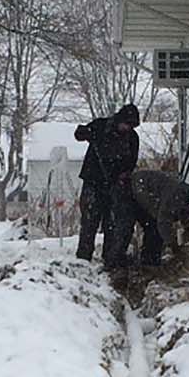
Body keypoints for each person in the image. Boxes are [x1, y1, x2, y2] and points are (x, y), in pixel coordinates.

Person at [73, 104, 141, 262]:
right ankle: (83, 259)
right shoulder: (101, 126)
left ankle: (110, 259)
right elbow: (79, 134)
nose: (127, 128)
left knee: (111, 223)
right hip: (93, 181)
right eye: (126, 124)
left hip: (114, 184)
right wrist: (85, 133)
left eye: (131, 126)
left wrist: (123, 177)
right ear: (119, 119)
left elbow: (131, 163)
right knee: (89, 221)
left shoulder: (132, 138)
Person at [128, 167, 189, 265]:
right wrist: (174, 245)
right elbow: (163, 222)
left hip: (148, 194)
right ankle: (148, 264)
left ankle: (150, 262)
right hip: (135, 188)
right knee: (153, 229)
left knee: (154, 229)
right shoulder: (176, 196)